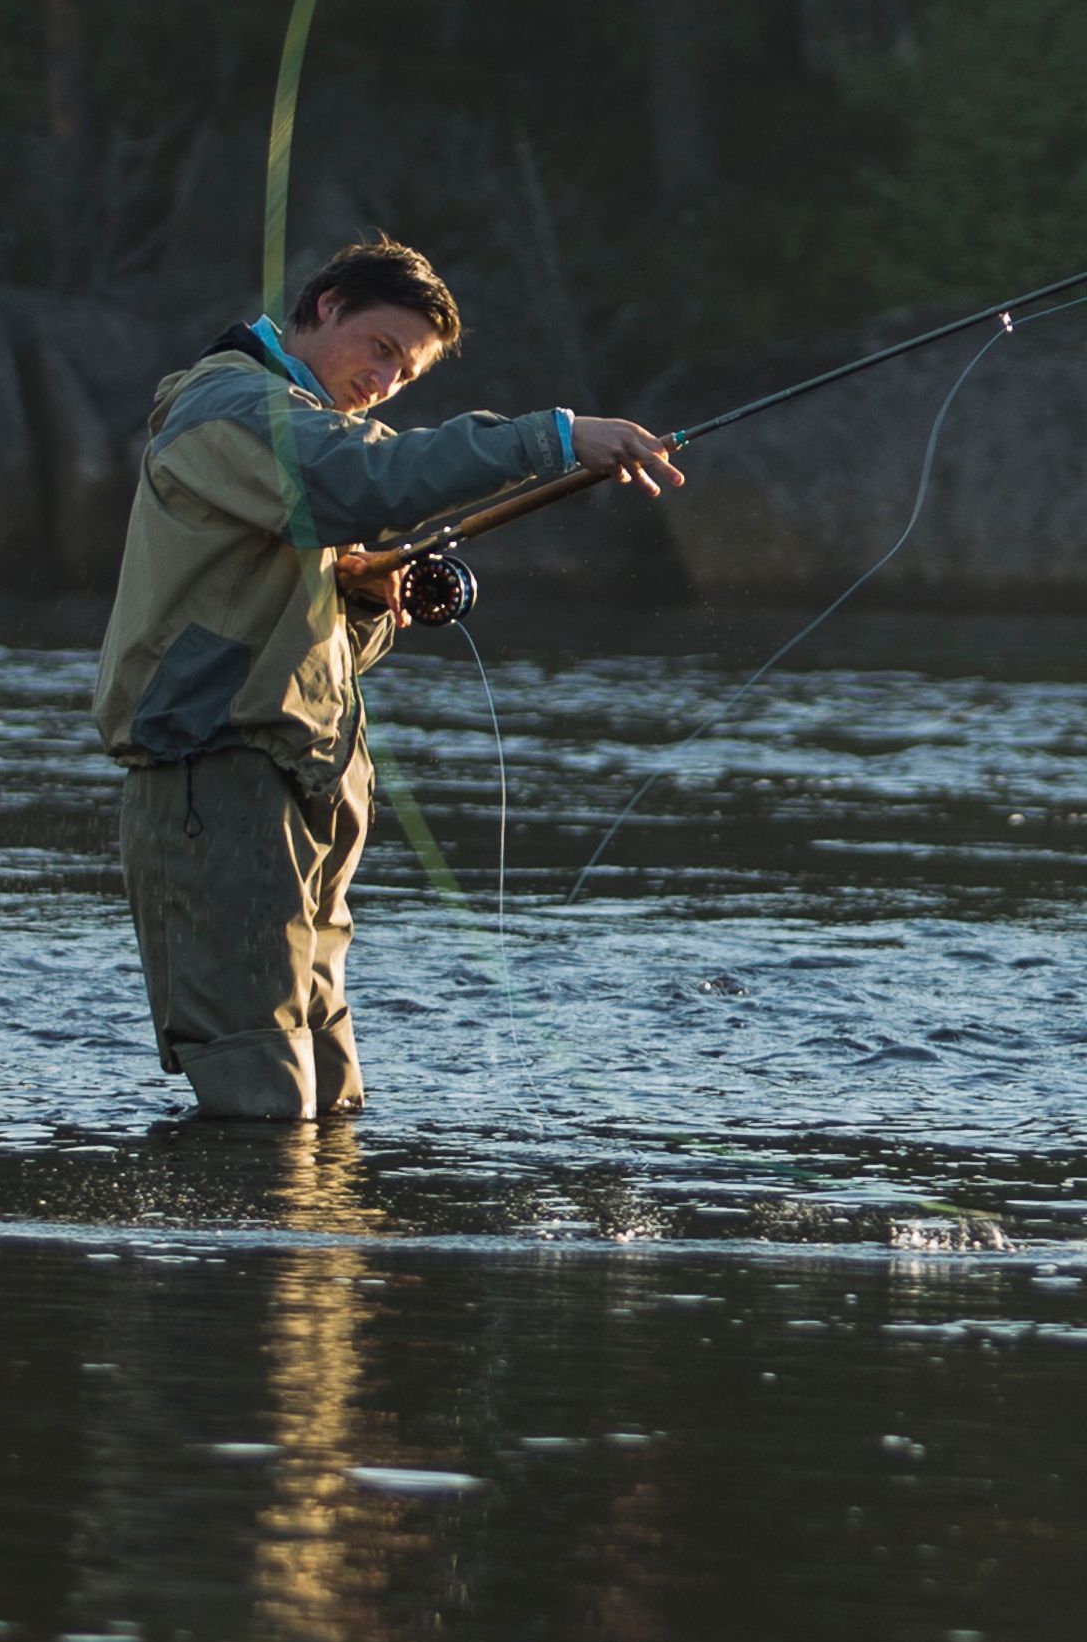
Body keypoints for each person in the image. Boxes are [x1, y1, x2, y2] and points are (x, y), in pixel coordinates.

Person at [86, 239, 684, 1120]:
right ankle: (245, 1257)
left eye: (407, 372)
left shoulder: (300, 443)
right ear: (327, 305)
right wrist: (555, 437)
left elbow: (304, 646)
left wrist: (360, 602)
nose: (387, 381)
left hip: (304, 791)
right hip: (216, 780)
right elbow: (375, 477)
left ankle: (326, 1262)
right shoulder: (231, 410)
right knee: (261, 1097)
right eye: (382, 349)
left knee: (331, 1101)